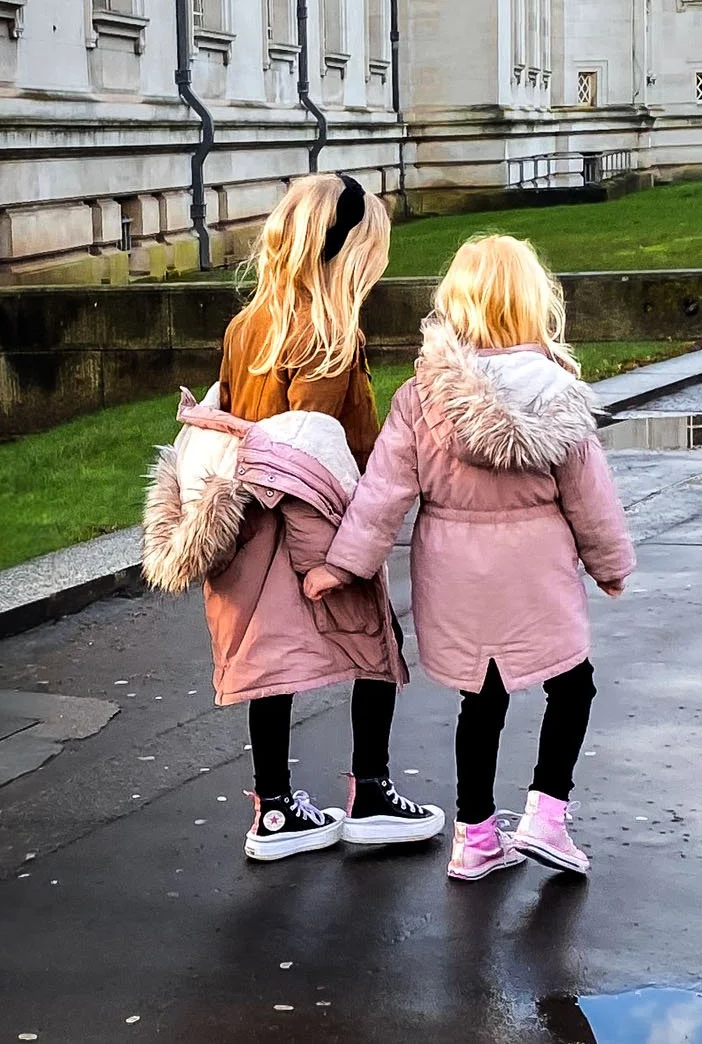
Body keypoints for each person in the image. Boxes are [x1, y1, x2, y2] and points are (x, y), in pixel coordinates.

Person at [306, 234, 634, 880]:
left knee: (481, 701)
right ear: (530, 303)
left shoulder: (423, 397)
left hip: (453, 571)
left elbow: (382, 494)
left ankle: (476, 835)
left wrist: (342, 564)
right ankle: (546, 810)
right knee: (573, 684)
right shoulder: (557, 393)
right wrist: (609, 564)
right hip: (534, 570)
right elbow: (590, 498)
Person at [183, 173, 443, 860]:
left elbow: (241, 422)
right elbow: (316, 453)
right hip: (310, 518)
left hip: (249, 521)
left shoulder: (248, 324)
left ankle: (274, 809)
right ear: (349, 247)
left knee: (271, 661)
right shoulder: (329, 335)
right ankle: (373, 792)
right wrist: (336, 560)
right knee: (376, 646)